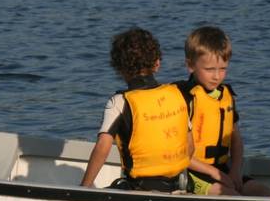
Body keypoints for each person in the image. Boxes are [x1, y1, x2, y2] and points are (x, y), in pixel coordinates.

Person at [80, 28, 192, 192]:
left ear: (119, 69)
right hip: (177, 187)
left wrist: (85, 187)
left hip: (139, 189)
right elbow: (190, 145)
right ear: (157, 64)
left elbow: (103, 146)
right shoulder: (177, 94)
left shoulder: (119, 102)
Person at [177, 26, 270, 196]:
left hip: (223, 168)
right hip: (192, 172)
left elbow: (236, 140)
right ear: (190, 65)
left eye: (222, 69)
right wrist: (215, 174)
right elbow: (182, 154)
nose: (217, 76)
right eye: (209, 70)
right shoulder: (184, 98)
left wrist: (235, 170)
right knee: (232, 197)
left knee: (265, 193)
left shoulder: (226, 95)